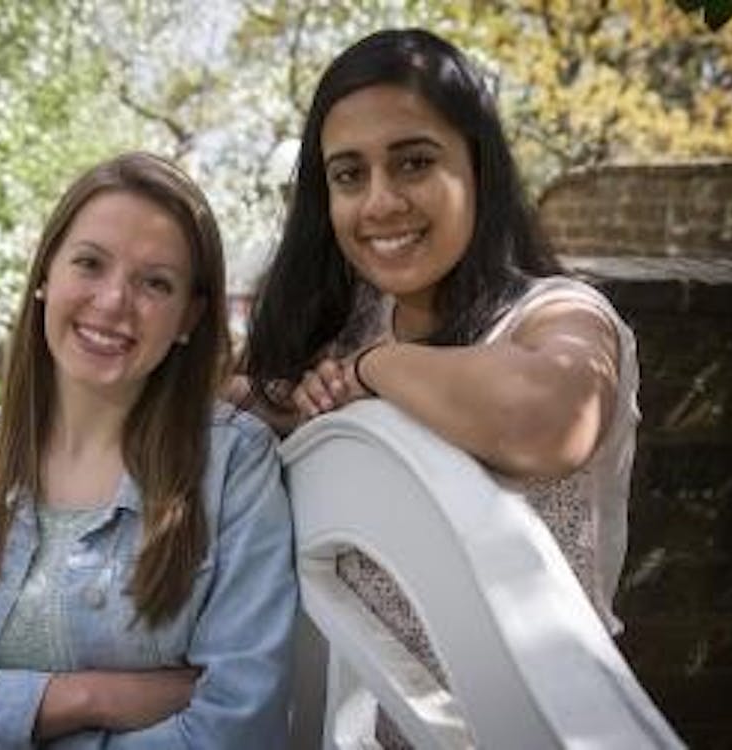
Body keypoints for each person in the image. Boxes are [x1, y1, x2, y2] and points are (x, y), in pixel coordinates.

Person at [0, 152, 297, 750]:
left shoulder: (231, 471)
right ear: (46, 274)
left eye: (156, 282)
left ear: (189, 316)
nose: (113, 301)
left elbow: (236, 730)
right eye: (90, 264)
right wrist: (86, 698)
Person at [242, 27, 639, 637]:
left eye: (415, 163)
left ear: (478, 167)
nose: (379, 202)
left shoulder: (560, 315)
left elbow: (551, 421)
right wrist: (299, 400)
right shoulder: (343, 322)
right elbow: (231, 398)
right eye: (349, 176)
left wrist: (375, 369)